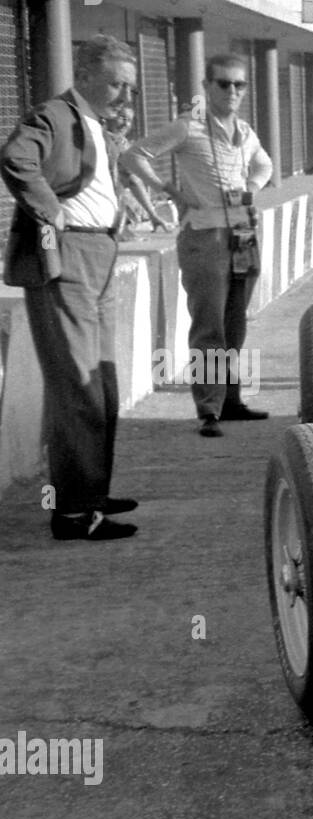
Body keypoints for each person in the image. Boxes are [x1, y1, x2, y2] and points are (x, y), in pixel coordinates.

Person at [1, 35, 139, 540]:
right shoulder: (53, 115)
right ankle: (75, 513)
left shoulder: (96, 124)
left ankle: (90, 494)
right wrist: (51, 211)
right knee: (78, 389)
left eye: (130, 88)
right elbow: (17, 160)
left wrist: (116, 211)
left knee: (101, 386)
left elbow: (96, 178)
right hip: (70, 259)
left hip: (100, 254)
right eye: (116, 85)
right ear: (83, 77)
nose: (125, 97)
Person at [121, 54, 273, 438]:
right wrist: (169, 190)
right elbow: (132, 155)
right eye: (224, 84)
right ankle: (208, 409)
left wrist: (250, 189)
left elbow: (264, 165)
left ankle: (232, 400)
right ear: (207, 87)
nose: (233, 92)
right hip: (204, 236)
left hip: (241, 234)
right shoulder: (188, 128)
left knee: (235, 324)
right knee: (209, 326)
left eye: (240, 85)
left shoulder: (244, 131)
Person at [102, 104, 172, 238]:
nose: (126, 124)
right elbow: (132, 180)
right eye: (122, 118)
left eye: (129, 120)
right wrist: (153, 214)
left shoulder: (121, 142)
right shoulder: (109, 141)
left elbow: (132, 179)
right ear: (110, 116)